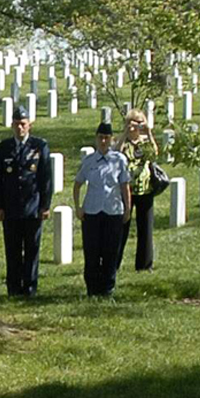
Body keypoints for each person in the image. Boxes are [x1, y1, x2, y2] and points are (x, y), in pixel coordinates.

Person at [0, 107, 52, 297]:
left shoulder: (39, 146)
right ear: (12, 125)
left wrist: (45, 205)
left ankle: (30, 287)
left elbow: (45, 179)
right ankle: (13, 287)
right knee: (13, 249)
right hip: (10, 207)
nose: (20, 128)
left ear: (30, 126)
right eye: (17, 124)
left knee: (32, 249)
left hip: (33, 207)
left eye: (23, 124)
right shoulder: (3, 148)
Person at [74, 122, 133, 297]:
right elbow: (77, 184)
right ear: (96, 139)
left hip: (113, 211)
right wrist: (78, 207)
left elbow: (124, 186)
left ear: (112, 139)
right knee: (92, 252)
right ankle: (92, 289)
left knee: (110, 252)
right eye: (100, 137)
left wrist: (127, 208)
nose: (103, 141)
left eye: (107, 138)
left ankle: (107, 288)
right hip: (92, 211)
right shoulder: (89, 161)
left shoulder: (119, 160)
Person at [123, 110, 162, 273]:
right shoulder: (124, 142)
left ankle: (144, 265)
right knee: (122, 228)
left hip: (145, 189)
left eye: (140, 122)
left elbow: (154, 155)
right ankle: (115, 262)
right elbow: (116, 153)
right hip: (126, 190)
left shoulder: (145, 142)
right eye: (134, 122)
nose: (137, 126)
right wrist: (125, 132)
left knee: (145, 229)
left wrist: (149, 132)